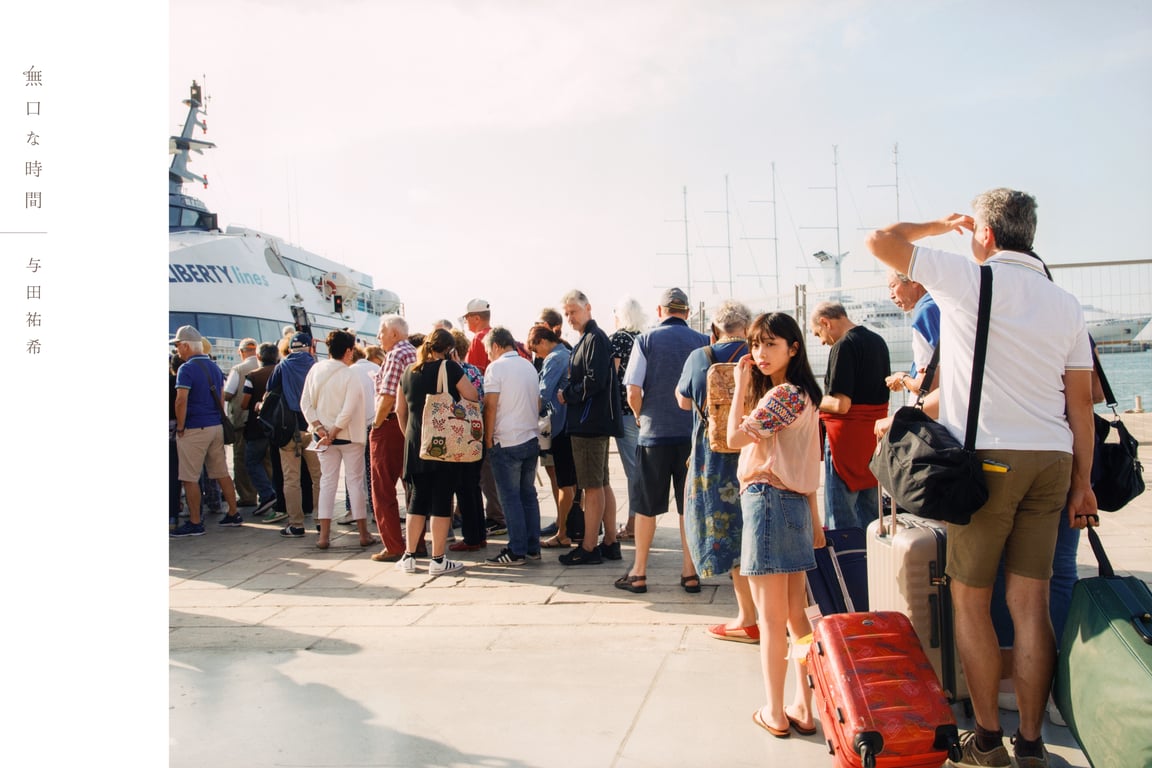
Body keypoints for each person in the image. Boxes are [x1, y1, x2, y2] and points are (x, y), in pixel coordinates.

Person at [866, 188, 1096, 768]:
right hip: (1053, 459)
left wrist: (940, 225)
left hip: (990, 458)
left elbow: (879, 240)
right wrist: (1084, 483)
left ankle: (989, 740)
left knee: (970, 601)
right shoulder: (1065, 302)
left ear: (986, 234)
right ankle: (1034, 743)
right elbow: (1081, 407)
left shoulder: (968, 280)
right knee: (1031, 603)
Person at [726, 312, 824, 739]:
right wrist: (816, 523)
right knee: (796, 617)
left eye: (770, 344)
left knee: (771, 621)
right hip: (795, 506)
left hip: (767, 502)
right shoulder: (806, 396)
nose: (760, 353)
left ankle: (775, 710)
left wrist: (741, 386)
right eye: (755, 345)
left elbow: (731, 439)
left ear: (793, 348)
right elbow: (810, 464)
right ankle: (804, 705)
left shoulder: (781, 396)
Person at [616, 288, 708, 593]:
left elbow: (632, 391)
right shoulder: (702, 342)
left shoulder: (645, 340)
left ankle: (639, 572)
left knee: (646, 507)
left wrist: (642, 417)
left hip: (654, 435)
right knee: (688, 507)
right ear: (688, 311)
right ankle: (689, 571)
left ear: (660, 311)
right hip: (691, 437)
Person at [677, 299, 759, 640]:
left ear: (714, 329)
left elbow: (683, 401)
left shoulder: (700, 357)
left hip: (712, 455)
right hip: (754, 446)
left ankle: (747, 616)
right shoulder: (756, 356)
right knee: (755, 527)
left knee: (728, 531)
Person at [395, 329, 480, 576]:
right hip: (443, 444)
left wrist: (410, 436)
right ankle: (438, 559)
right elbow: (472, 396)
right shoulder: (450, 368)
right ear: (450, 349)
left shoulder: (408, 371)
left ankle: (409, 556)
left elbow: (400, 411)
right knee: (442, 499)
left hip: (414, 443)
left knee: (417, 500)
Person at [809, 301, 891, 530]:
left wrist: (809, 398)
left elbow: (841, 404)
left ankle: (845, 564)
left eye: (819, 334)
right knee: (872, 516)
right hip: (872, 440)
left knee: (841, 519)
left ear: (826, 322)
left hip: (844, 441)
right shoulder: (878, 341)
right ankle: (872, 562)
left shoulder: (843, 346)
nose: (822, 341)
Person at [556, 289, 622, 566]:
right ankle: (609, 543)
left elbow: (593, 382)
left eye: (573, 311)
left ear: (588, 308)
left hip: (588, 422)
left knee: (592, 486)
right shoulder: (590, 338)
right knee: (601, 483)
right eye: (567, 313)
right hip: (592, 421)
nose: (570, 317)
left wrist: (567, 394)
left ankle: (589, 547)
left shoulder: (594, 339)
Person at [300, 330, 374, 550]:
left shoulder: (315, 369)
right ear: (349, 350)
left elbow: (305, 403)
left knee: (327, 483)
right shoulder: (350, 374)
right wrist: (334, 431)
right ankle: (363, 533)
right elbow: (349, 408)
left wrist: (320, 429)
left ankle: (324, 536)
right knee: (355, 483)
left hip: (322, 437)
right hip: (348, 436)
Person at [170, 325, 242, 536]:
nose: (177, 351)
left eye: (177, 346)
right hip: (215, 426)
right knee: (221, 472)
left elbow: (181, 400)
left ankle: (195, 522)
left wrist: (181, 426)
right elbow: (220, 398)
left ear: (185, 345)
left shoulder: (186, 368)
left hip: (194, 428)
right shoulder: (213, 366)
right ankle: (233, 512)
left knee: (189, 477)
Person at [482, 327, 543, 565]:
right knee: (528, 495)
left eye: (488, 350)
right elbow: (537, 402)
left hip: (505, 440)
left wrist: (488, 439)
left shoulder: (496, 368)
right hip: (530, 437)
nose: (488, 355)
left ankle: (516, 550)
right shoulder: (528, 366)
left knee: (510, 497)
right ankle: (532, 546)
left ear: (496, 346)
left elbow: (490, 406)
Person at [369, 315, 416, 562]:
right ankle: (416, 542)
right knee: (412, 486)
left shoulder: (396, 354)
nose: (378, 337)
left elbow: (387, 397)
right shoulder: (414, 352)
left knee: (382, 488)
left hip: (389, 426)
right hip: (411, 425)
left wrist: (375, 424)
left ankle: (394, 545)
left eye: (381, 332)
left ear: (394, 334)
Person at [268, 331, 322, 539]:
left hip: (288, 429)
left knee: (291, 478)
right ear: (310, 347)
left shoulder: (282, 367)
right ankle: (320, 519)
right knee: (318, 477)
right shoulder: (316, 366)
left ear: (290, 348)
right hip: (314, 428)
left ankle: (296, 524)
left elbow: (269, 391)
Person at [527, 325, 577, 549]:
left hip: (560, 425)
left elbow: (543, 394)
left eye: (535, 349)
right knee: (574, 483)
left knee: (565, 483)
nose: (537, 354)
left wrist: (528, 416)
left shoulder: (554, 358)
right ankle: (573, 528)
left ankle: (563, 532)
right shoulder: (568, 353)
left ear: (542, 341)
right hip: (571, 424)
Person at [447, 329, 488, 552]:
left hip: (458, 435)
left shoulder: (454, 372)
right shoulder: (475, 371)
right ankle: (478, 534)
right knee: (473, 487)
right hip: (476, 434)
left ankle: (471, 537)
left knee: (463, 488)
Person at [610, 296, 646, 540]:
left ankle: (634, 523)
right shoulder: (642, 338)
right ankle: (639, 520)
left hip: (624, 410)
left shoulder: (619, 339)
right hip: (641, 408)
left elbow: (612, 375)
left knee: (633, 470)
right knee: (640, 467)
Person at [239, 343, 281, 520]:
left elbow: (244, 403)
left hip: (257, 426)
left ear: (258, 357)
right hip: (279, 424)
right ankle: (276, 495)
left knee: (251, 461)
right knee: (273, 463)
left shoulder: (252, 376)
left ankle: (267, 494)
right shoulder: (281, 372)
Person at [883, 271, 941, 396]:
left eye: (893, 286)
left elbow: (926, 386)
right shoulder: (942, 303)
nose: (891, 296)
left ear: (914, 281)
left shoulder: (925, 313)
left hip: (933, 410)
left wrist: (902, 378)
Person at [223, 338, 261, 507]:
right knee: (264, 459)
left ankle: (247, 495)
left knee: (241, 458)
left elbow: (228, 393)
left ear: (241, 352)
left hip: (242, 421)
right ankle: (267, 493)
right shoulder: (268, 365)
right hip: (264, 421)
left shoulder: (238, 369)